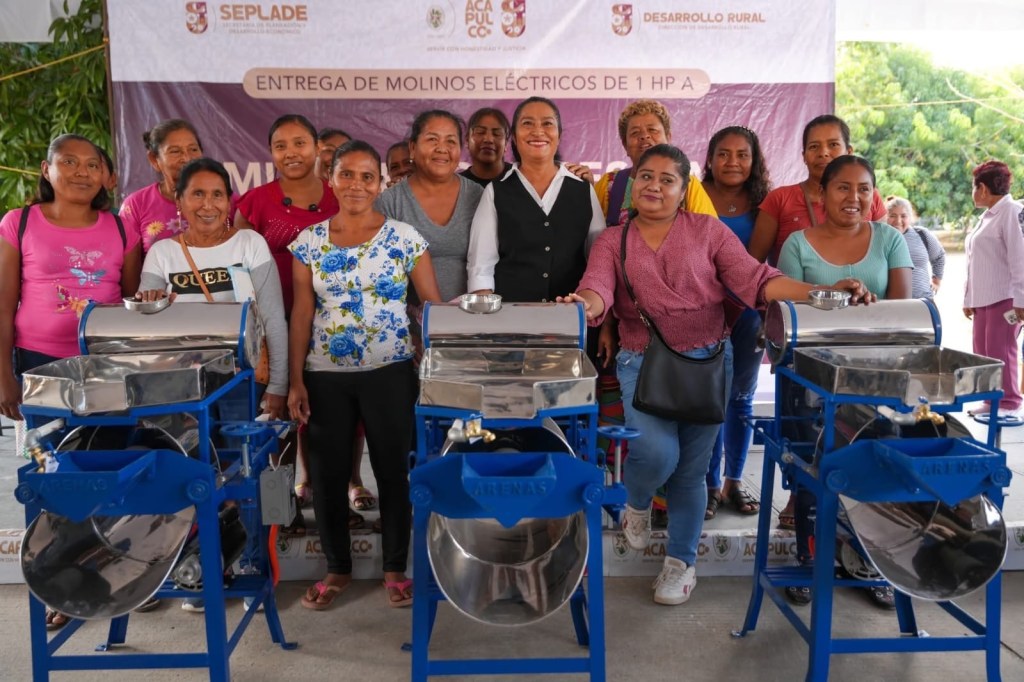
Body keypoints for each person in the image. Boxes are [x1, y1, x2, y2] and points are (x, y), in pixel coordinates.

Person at [559, 144, 871, 606]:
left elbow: (757, 279)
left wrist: (821, 289)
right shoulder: (612, 239)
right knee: (655, 453)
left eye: (668, 179)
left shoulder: (709, 231)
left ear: (685, 190)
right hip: (640, 362)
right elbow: (598, 286)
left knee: (689, 472)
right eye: (646, 177)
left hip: (708, 364)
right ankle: (638, 501)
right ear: (633, 185)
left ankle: (680, 565)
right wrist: (585, 304)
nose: (654, 186)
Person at [288, 140, 442, 610]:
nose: (357, 184)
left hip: (391, 370)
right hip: (324, 375)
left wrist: (438, 366)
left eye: (367, 176)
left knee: (394, 472)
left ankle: (395, 568)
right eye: (347, 175)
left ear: (381, 183)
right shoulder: (309, 242)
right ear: (330, 177)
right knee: (329, 475)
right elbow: (301, 313)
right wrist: (294, 380)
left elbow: (431, 308)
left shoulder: (405, 237)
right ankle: (337, 569)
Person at [0, 133, 143, 627]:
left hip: (105, 369)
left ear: (107, 176)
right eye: (69, 162)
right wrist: (4, 375)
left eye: (92, 164)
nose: (81, 172)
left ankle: (103, 577)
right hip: (37, 365)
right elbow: (3, 304)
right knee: (53, 477)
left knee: (100, 472)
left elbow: (130, 308)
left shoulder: (121, 229)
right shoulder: (19, 223)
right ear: (46, 169)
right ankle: (57, 584)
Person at [136, 157, 288, 613]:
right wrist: (151, 302)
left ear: (229, 201)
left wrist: (278, 385)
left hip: (242, 381)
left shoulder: (250, 243)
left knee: (248, 473)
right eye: (197, 194)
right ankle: (202, 568)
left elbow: (274, 320)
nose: (208, 204)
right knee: (192, 474)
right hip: (182, 386)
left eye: (217, 194)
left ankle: (254, 568)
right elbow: (148, 326)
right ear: (179, 201)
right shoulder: (162, 253)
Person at [777, 154, 911, 610]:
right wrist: (836, 298)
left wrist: (870, 302)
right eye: (843, 188)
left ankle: (870, 562)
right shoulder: (797, 244)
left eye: (864, 189)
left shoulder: (891, 239)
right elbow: (787, 313)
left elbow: (902, 314)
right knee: (812, 473)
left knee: (873, 468)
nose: (854, 198)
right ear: (823, 193)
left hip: (876, 383)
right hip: (807, 381)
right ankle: (809, 562)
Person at [700, 126, 772, 520]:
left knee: (741, 399)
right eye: (723, 154)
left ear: (754, 160)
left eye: (742, 154)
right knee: (708, 400)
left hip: (748, 316)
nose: (732, 162)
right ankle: (709, 484)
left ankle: (734, 481)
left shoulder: (765, 203)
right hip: (701, 314)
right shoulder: (693, 195)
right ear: (709, 158)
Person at [467, 96, 604, 302]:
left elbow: (599, 261)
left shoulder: (583, 189)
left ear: (559, 135)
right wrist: (487, 321)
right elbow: (481, 267)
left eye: (547, 123)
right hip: (512, 318)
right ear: (513, 136)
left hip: (573, 317)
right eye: (527, 123)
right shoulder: (496, 191)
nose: (538, 131)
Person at [749, 114, 888, 266]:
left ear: (849, 151)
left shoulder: (869, 197)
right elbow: (754, 267)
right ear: (804, 156)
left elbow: (884, 257)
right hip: (792, 290)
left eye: (833, 144)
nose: (823, 153)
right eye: (814, 146)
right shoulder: (779, 199)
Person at [378, 109, 483, 303]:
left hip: (469, 323)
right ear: (412, 147)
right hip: (408, 327)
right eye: (432, 139)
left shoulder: (478, 196)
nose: (442, 148)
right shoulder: (390, 202)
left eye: (451, 141)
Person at [593, 99, 718, 227]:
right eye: (635, 132)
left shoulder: (688, 185)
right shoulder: (608, 185)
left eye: (652, 130)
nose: (644, 136)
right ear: (625, 145)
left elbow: (711, 236)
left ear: (668, 138)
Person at [963, 160, 1024, 417]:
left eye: (974, 187)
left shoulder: (1012, 211)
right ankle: (991, 400)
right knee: (984, 354)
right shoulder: (987, 217)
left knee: (1002, 352)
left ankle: (1009, 403)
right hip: (983, 299)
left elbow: (1020, 258)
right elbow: (974, 261)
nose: (973, 193)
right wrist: (968, 298)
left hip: (1005, 297)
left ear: (984, 189)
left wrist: (1021, 299)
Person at [120, 119, 204, 251]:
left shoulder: (224, 200)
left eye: (193, 149)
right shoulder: (136, 205)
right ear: (154, 159)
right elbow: (130, 268)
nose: (187, 158)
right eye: (175, 151)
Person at [885, 196, 945, 299]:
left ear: (910, 217)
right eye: (893, 216)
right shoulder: (881, 238)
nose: (898, 221)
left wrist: (936, 281)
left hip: (923, 301)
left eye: (903, 216)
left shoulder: (922, 234)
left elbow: (939, 256)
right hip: (892, 304)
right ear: (886, 217)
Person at [460, 107, 512, 187]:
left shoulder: (521, 179)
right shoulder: (458, 185)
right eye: (480, 132)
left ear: (506, 144)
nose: (488, 139)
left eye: (497, 133)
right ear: (467, 140)